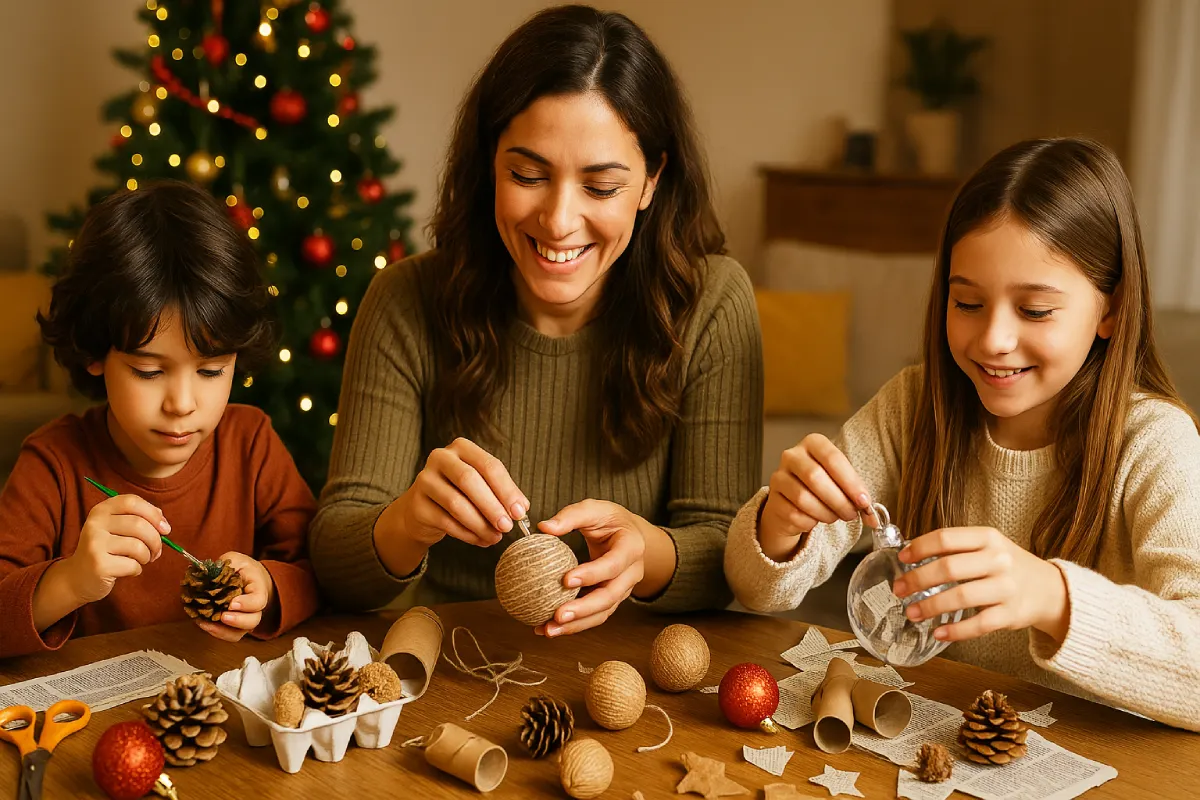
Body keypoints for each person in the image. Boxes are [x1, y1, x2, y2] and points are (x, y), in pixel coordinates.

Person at [311, 5, 762, 636]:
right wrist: (409, 520)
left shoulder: (713, 302)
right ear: (488, 164)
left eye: (601, 188)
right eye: (527, 175)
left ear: (653, 180)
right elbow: (333, 563)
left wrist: (646, 553)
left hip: (631, 675)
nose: (557, 221)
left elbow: (731, 557)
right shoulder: (406, 300)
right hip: (448, 664)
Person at [726, 138, 1200, 730]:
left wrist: (1052, 595)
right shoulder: (913, 407)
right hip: (939, 750)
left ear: (1111, 308)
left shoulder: (1155, 443)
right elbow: (754, 588)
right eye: (968, 301)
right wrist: (779, 527)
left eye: (1034, 311)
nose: (993, 339)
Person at [0, 181, 320, 659]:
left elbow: (321, 571)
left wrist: (270, 587)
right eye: (149, 371)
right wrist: (72, 580)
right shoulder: (53, 464)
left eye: (212, 370)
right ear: (94, 352)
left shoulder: (251, 444)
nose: (183, 403)